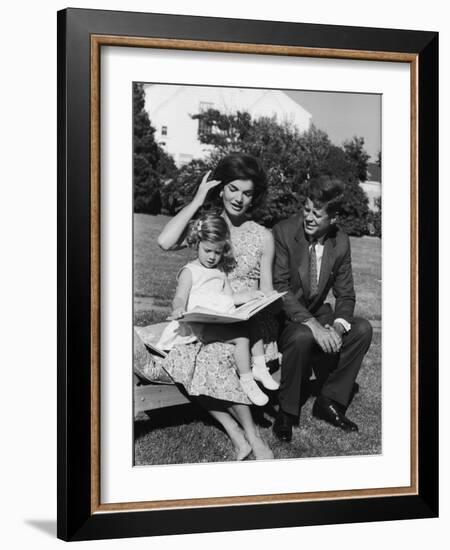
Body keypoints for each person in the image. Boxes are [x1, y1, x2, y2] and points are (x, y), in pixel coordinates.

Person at [157, 152, 279, 460]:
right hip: (206, 320)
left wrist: (258, 317)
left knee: (213, 354)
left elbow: (266, 292)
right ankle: (240, 434)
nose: (239, 198)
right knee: (187, 355)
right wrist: (199, 199)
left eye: (247, 193)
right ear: (221, 188)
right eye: (233, 189)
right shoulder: (208, 228)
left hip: (246, 324)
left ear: (255, 197)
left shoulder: (263, 236)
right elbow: (164, 241)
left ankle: (251, 436)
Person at [272, 175, 373, 442]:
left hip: (319, 313)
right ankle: (287, 412)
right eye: (306, 210)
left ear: (333, 218)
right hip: (284, 317)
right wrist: (314, 326)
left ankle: (329, 401)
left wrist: (338, 327)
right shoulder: (283, 232)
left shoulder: (340, 242)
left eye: (317, 214)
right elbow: (280, 290)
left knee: (362, 329)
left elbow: (346, 294)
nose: (309, 218)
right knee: (303, 335)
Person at [157, 212, 275, 406]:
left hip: (216, 319)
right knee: (241, 337)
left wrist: (249, 297)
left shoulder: (219, 271)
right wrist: (178, 308)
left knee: (252, 321)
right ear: (197, 244)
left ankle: (260, 367)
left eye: (218, 252)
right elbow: (180, 296)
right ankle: (247, 381)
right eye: (208, 250)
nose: (212, 257)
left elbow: (229, 297)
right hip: (198, 326)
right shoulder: (190, 271)